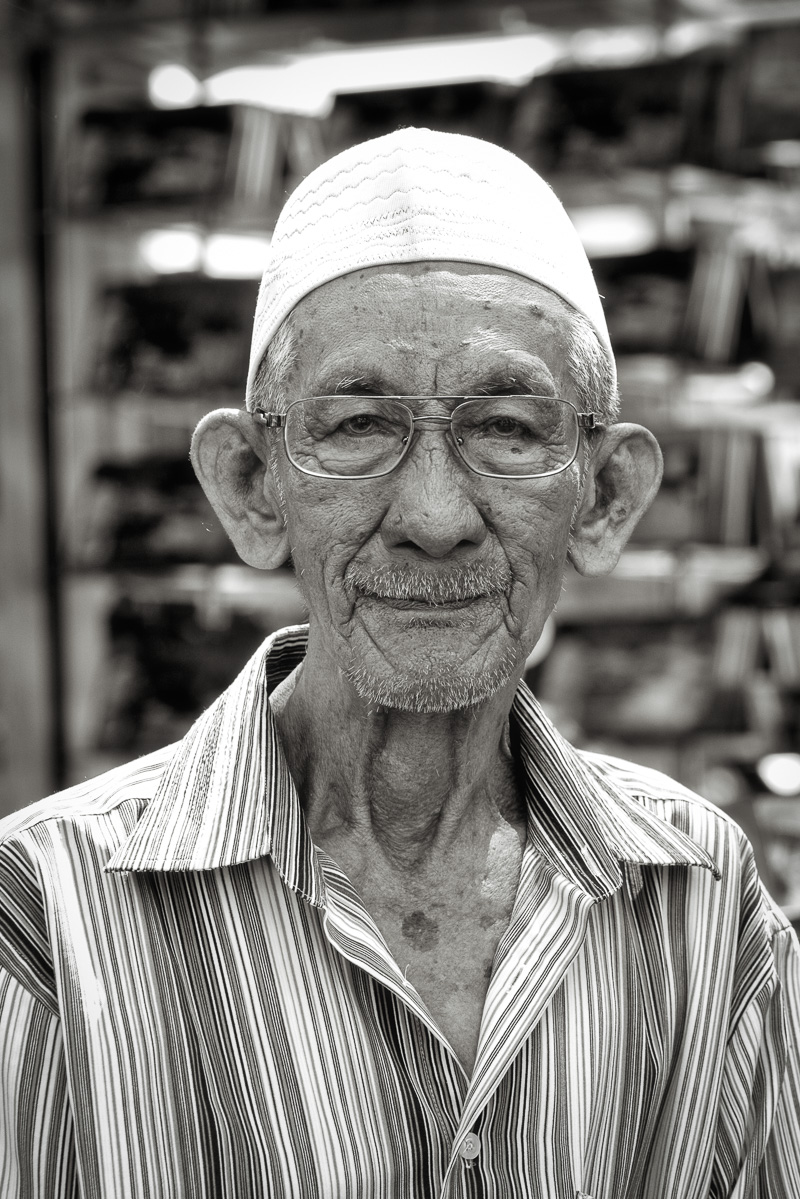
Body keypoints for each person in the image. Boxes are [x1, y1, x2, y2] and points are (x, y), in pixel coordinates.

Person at [1, 128, 798, 1199]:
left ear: (605, 499)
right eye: (358, 424)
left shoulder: (697, 895)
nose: (432, 515)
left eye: (509, 429)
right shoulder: (43, 917)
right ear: (249, 486)